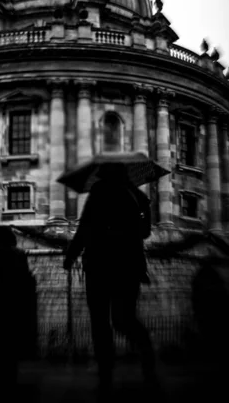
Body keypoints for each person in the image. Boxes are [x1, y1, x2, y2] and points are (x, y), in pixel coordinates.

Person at [63, 166, 157, 396]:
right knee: (124, 319)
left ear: (105, 174)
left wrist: (72, 254)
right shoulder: (137, 196)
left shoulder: (100, 190)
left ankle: (106, 372)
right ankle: (147, 357)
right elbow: (145, 233)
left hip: (100, 264)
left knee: (100, 321)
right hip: (129, 266)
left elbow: (85, 226)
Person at [0, 226, 34, 396]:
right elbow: (26, 279)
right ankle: (11, 380)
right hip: (14, 304)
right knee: (11, 343)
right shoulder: (19, 253)